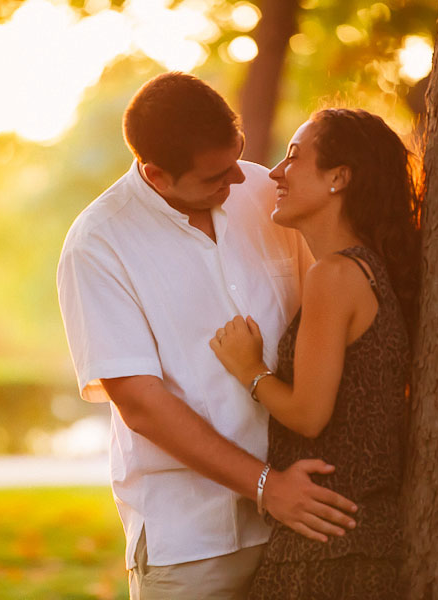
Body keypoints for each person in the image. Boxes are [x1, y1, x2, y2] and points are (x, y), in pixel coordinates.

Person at [56, 74, 359, 599]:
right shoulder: (98, 245)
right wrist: (268, 487)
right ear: (155, 175)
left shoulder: (265, 190)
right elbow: (143, 405)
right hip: (190, 541)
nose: (239, 181)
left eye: (238, 158)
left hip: (303, 520)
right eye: (216, 176)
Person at [211, 108, 421, 599]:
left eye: (294, 157)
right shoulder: (364, 270)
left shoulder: (334, 275)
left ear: (339, 178)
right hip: (358, 545)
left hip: (324, 555)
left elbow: (308, 415)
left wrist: (251, 370)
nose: (277, 173)